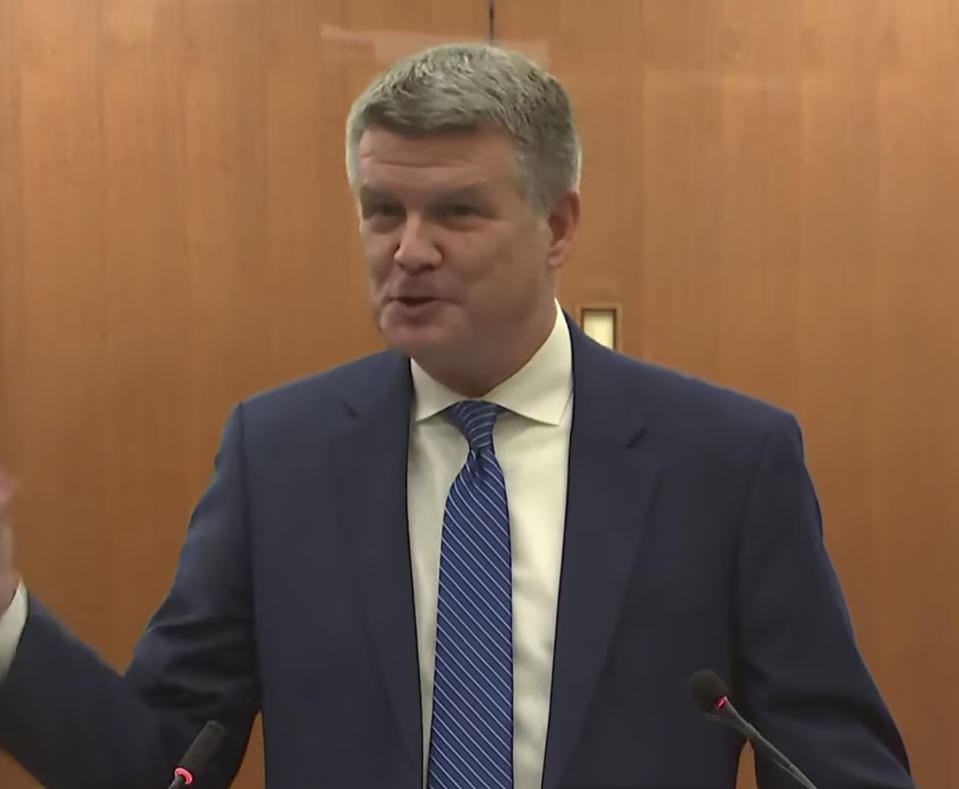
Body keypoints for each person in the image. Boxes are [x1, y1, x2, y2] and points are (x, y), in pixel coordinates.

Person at [0, 42, 913, 789]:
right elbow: (155, 756)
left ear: (556, 227)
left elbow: (831, 761)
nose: (409, 251)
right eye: (380, 210)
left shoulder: (725, 461)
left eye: (457, 213)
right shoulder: (278, 455)